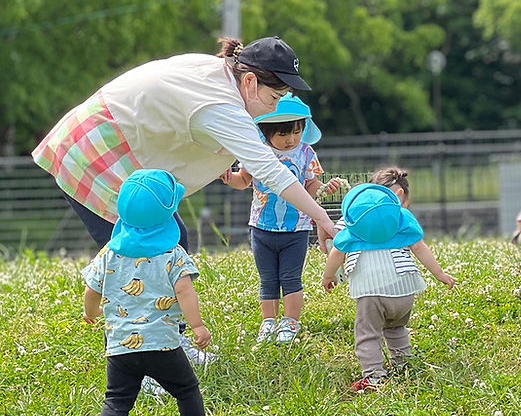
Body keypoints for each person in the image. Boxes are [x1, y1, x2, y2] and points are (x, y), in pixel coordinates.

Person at [32, 35, 339, 252]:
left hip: (108, 144)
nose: (274, 109)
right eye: (274, 98)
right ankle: (144, 341)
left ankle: (168, 338)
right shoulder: (221, 105)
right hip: (96, 152)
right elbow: (271, 171)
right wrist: (323, 219)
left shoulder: (217, 72)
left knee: (170, 241)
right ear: (249, 82)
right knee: (148, 250)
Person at [81, 169, 226, 416]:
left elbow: (91, 289)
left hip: (120, 346)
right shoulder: (173, 255)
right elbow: (185, 292)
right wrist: (197, 326)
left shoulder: (109, 253)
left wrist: (90, 313)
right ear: (169, 213)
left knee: (116, 399)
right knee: (186, 389)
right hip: (162, 344)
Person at [221, 94, 344, 344]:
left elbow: (310, 185)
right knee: (267, 279)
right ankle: (268, 322)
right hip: (261, 229)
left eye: (297, 132)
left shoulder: (305, 153)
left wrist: (324, 188)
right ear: (266, 132)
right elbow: (244, 179)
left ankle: (290, 322)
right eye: (283, 134)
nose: (291, 139)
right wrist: (228, 177)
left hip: (296, 230)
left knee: (290, 278)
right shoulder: (257, 152)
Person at [321, 178, 455, 392]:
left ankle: (374, 377)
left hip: (370, 291)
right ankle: (404, 365)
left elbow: (336, 252)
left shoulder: (352, 225)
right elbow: (419, 247)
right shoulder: (401, 218)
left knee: (367, 333)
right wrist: (440, 274)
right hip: (404, 288)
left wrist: (328, 276)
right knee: (396, 327)